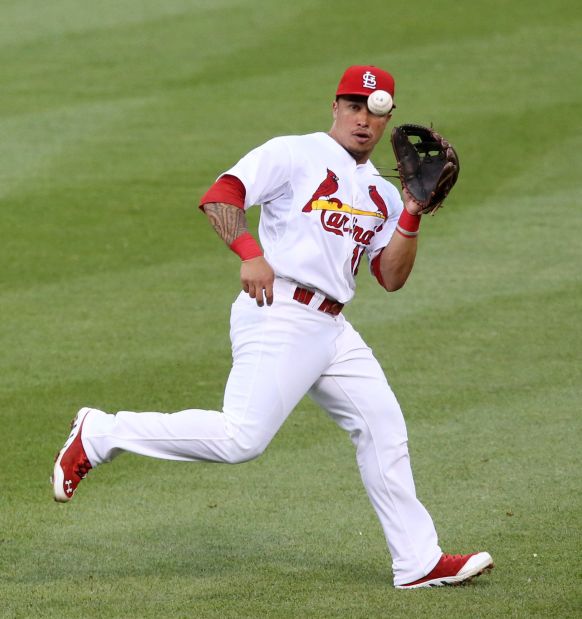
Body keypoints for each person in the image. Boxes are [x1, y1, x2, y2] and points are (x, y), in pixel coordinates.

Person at [52, 65, 494, 589]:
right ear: (335, 106)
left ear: (387, 120)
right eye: (352, 106)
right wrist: (250, 252)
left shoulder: (385, 193)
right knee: (241, 438)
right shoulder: (294, 153)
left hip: (332, 330)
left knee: (383, 429)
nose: (361, 120)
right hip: (278, 310)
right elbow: (221, 194)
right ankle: (102, 432)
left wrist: (413, 214)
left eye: (373, 112)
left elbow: (390, 276)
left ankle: (417, 561)